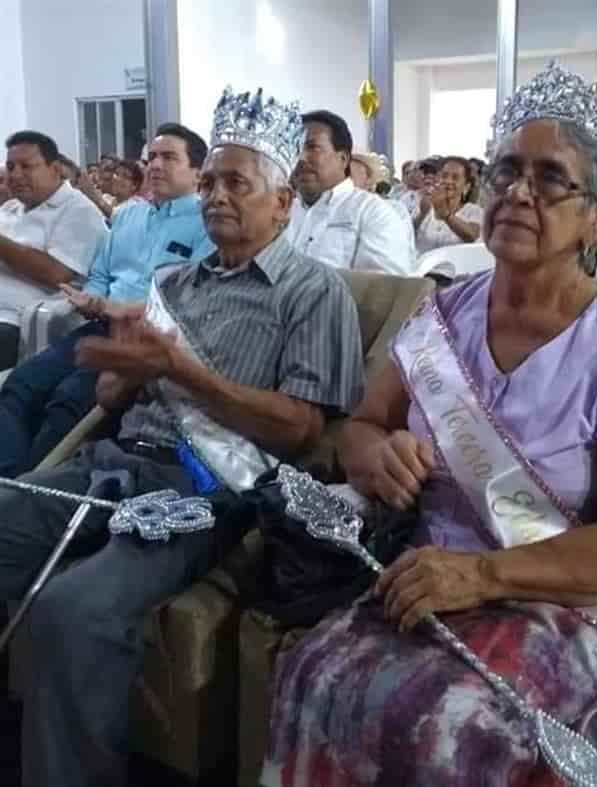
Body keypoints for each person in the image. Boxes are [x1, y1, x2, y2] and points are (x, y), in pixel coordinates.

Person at [262, 63, 597, 787]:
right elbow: (359, 429)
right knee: (313, 672)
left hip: (558, 602)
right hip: (426, 575)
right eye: (505, 171)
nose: (516, 193)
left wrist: (483, 574)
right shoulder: (441, 317)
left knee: (450, 724)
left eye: (549, 178)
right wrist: (377, 454)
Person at [0, 87, 364, 787]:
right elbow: (112, 399)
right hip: (111, 459)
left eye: (237, 183)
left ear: (284, 202)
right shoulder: (175, 283)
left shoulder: (315, 292)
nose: (217, 197)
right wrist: (122, 372)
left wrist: (180, 369)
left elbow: (300, 428)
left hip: (204, 490)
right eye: (211, 183)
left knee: (71, 612)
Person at [0, 123, 215, 478]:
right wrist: (92, 299)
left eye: (169, 158)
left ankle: (31, 487)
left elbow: (195, 301)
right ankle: (9, 480)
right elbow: (101, 275)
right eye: (152, 158)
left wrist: (122, 310)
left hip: (149, 339)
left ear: (197, 171)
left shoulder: (207, 224)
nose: (156, 165)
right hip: (100, 326)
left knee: (67, 400)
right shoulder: (130, 214)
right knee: (20, 385)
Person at [0, 131, 108, 369]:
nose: (15, 175)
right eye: (10, 166)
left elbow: (56, 273)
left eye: (26, 166)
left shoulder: (79, 211)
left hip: (16, 320)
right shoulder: (10, 207)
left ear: (55, 168)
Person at [288, 110, 414, 275]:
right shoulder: (281, 213)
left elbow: (384, 292)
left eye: (312, 147)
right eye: (294, 148)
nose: (301, 158)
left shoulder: (373, 213)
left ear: (343, 159)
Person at [414, 155, 483, 255]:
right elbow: (408, 234)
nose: (448, 181)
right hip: (423, 268)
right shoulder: (425, 205)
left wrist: (447, 216)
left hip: (458, 270)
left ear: (466, 186)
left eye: (455, 178)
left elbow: (472, 236)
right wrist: (422, 214)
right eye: (444, 176)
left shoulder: (473, 211)